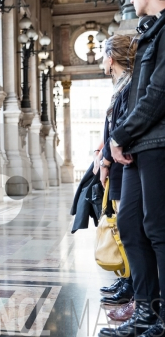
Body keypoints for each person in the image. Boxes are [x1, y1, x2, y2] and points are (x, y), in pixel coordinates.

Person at [98, 0, 165, 337]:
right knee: (133, 225)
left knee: (155, 230)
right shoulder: (150, 30)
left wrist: (119, 137)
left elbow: (155, 95)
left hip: (152, 142)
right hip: (141, 143)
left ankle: (154, 315)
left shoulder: (159, 31)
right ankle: (146, 309)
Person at [93, 34, 138, 320]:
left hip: (125, 164)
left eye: (103, 56)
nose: (101, 61)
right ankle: (128, 282)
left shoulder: (130, 85)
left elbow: (122, 125)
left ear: (111, 58)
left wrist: (107, 158)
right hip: (117, 164)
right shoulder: (121, 85)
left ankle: (135, 289)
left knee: (130, 229)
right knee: (124, 227)